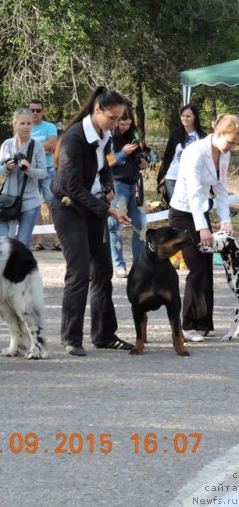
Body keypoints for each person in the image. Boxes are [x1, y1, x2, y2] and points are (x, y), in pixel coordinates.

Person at [51, 86, 133, 357]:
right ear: (97, 110)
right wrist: (108, 210)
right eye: (112, 118)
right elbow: (71, 186)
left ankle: (104, 335)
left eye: (120, 119)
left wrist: (108, 185)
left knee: (103, 270)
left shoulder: (106, 135)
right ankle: (72, 338)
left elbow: (106, 166)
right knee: (79, 272)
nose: (116, 124)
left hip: (93, 207)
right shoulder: (74, 138)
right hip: (69, 208)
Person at [168, 114, 239, 342]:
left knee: (207, 267)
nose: (233, 147)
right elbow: (194, 192)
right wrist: (202, 228)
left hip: (200, 211)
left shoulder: (224, 155)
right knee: (196, 267)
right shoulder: (194, 152)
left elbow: (220, 188)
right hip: (182, 213)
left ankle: (204, 323)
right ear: (219, 134)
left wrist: (225, 219)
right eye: (231, 142)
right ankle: (187, 325)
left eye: (236, 144)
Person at [0, 108, 46, 248]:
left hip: (30, 200)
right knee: (5, 243)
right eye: (22, 123)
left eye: (29, 123)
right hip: (8, 199)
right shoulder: (6, 145)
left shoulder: (37, 146)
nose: (26, 127)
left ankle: (23, 270)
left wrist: (29, 169)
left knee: (23, 243)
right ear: (14, 125)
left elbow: (43, 173)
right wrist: (7, 167)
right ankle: (7, 270)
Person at [107, 107, 148, 278]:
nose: (125, 127)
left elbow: (141, 151)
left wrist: (144, 160)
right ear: (116, 121)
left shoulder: (134, 133)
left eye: (128, 124)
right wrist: (122, 153)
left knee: (140, 224)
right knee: (116, 225)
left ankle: (139, 264)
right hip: (118, 183)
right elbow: (108, 162)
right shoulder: (108, 135)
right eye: (122, 123)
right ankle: (118, 264)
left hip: (135, 182)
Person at [157, 104, 207, 204]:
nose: (185, 118)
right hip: (173, 178)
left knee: (192, 209)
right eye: (183, 116)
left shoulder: (202, 137)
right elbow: (167, 158)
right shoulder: (175, 135)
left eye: (188, 116)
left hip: (194, 179)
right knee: (176, 211)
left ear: (195, 118)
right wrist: (161, 180)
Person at [29, 99, 60, 251]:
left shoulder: (50, 127)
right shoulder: (25, 126)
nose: (35, 113)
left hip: (48, 169)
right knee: (35, 205)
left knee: (52, 204)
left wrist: (32, 148)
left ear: (43, 111)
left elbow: (52, 145)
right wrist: (43, 147)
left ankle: (56, 240)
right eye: (32, 110)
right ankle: (39, 241)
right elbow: (22, 147)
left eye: (38, 110)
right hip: (30, 172)